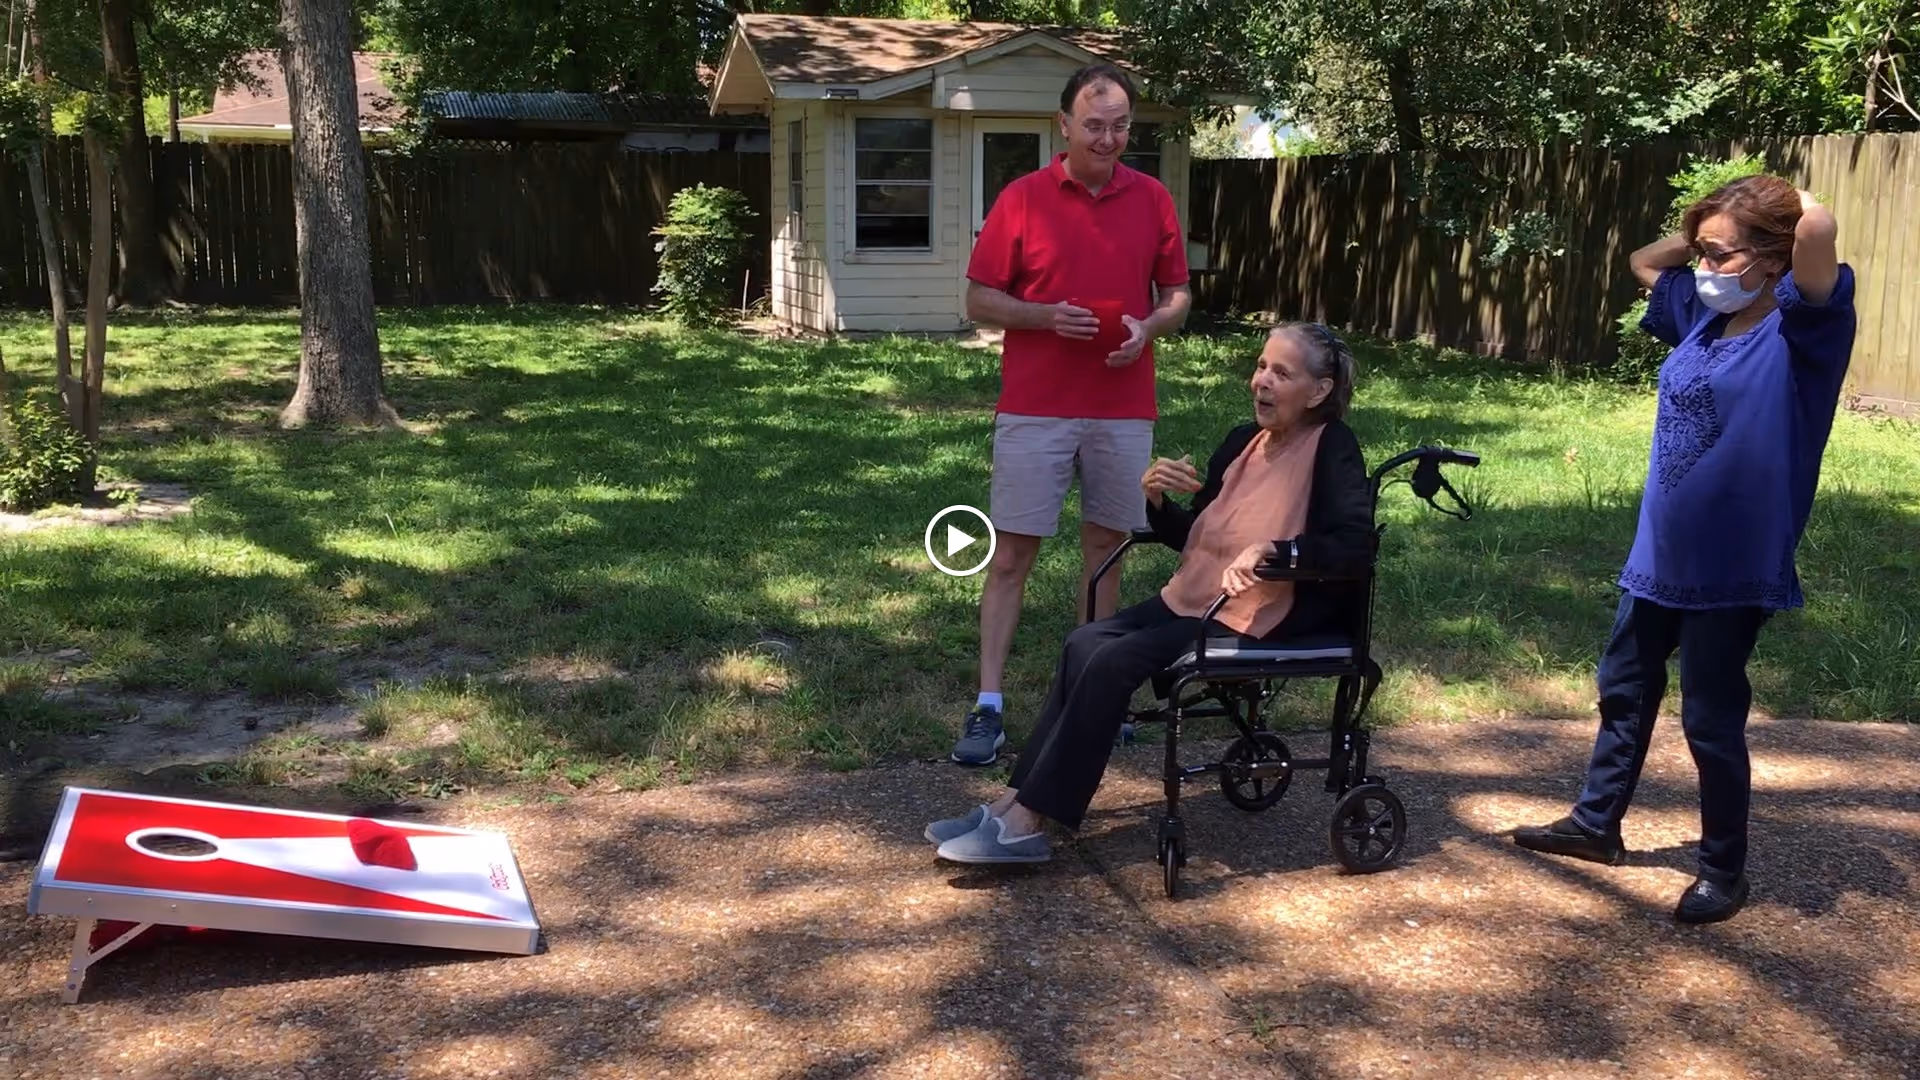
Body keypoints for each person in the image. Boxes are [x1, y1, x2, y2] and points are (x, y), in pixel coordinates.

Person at [1513, 178, 1854, 924]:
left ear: (1772, 256)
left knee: (1710, 716)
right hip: (1658, 553)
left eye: (1718, 254)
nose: (1700, 266)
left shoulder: (1806, 331)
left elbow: (1818, 228)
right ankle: (1596, 824)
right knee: (1624, 689)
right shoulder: (1703, 315)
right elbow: (1643, 260)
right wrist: (1707, 228)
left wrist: (1778, 197)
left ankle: (1723, 869)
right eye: (1699, 253)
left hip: (1733, 563)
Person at [925, 323, 1373, 863]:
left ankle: (1027, 820)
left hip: (1255, 613)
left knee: (1113, 659)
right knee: (1085, 641)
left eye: (1282, 373)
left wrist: (1272, 553)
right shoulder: (1243, 442)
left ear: (1320, 391)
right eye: (1260, 367)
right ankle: (1015, 799)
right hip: (1195, 598)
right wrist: (1157, 500)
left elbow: (1354, 548)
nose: (1263, 382)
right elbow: (1196, 538)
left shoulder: (1333, 449)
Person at [951, 61, 1193, 767]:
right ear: (1064, 126)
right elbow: (977, 298)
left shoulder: (1152, 199)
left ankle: (1094, 690)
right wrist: (1043, 317)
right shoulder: (1023, 198)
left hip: (1123, 409)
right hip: (1036, 408)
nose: (1109, 137)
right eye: (1095, 124)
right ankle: (988, 706)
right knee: (1013, 554)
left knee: (1106, 551)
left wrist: (1149, 329)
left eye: (1120, 125)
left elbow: (1177, 295)